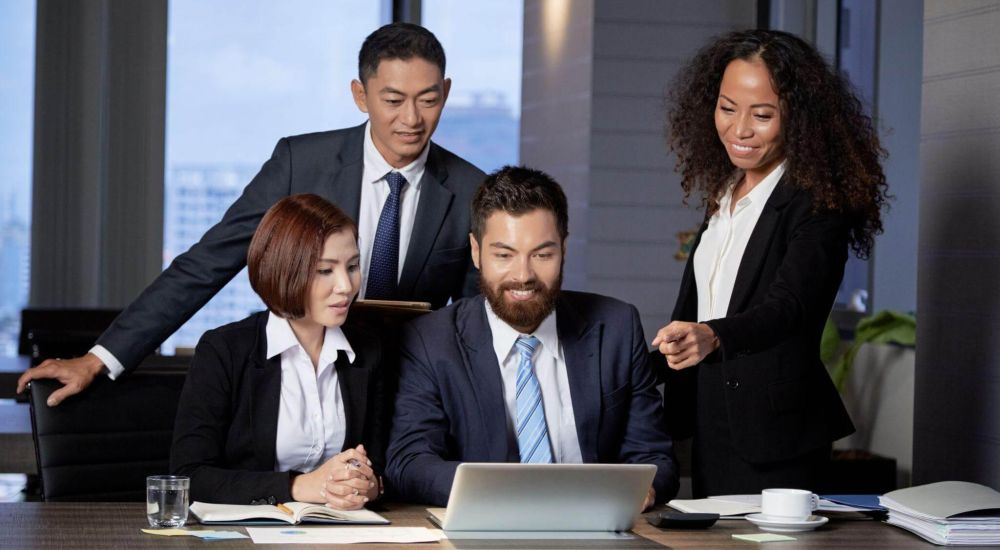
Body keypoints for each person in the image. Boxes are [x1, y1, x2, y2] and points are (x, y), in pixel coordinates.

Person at [17, 22, 484, 406]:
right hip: (300, 392)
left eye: (428, 99)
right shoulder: (301, 164)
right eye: (393, 100)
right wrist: (101, 358)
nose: (412, 119)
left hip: (411, 397)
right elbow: (206, 263)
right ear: (361, 96)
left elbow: (470, 324)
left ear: (445, 91)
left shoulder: (471, 190)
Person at [651, 29, 889, 497]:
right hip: (710, 414)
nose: (739, 129)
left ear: (798, 119)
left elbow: (792, 307)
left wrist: (714, 333)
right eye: (727, 107)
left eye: (762, 115)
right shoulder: (724, 194)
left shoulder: (816, 202)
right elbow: (701, 303)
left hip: (776, 432)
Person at [386, 166, 679, 508]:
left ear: (564, 249)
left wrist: (642, 487)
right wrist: (512, 492)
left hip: (595, 532)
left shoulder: (616, 326)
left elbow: (655, 458)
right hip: (484, 531)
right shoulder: (429, 340)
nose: (523, 275)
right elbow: (410, 463)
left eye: (542, 255)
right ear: (476, 252)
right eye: (504, 255)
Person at [170, 194, 389, 507]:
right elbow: (190, 476)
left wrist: (369, 484)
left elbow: (380, 465)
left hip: (342, 531)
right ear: (284, 270)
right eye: (325, 270)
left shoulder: (367, 350)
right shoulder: (225, 350)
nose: (346, 285)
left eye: (352, 266)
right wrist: (300, 486)